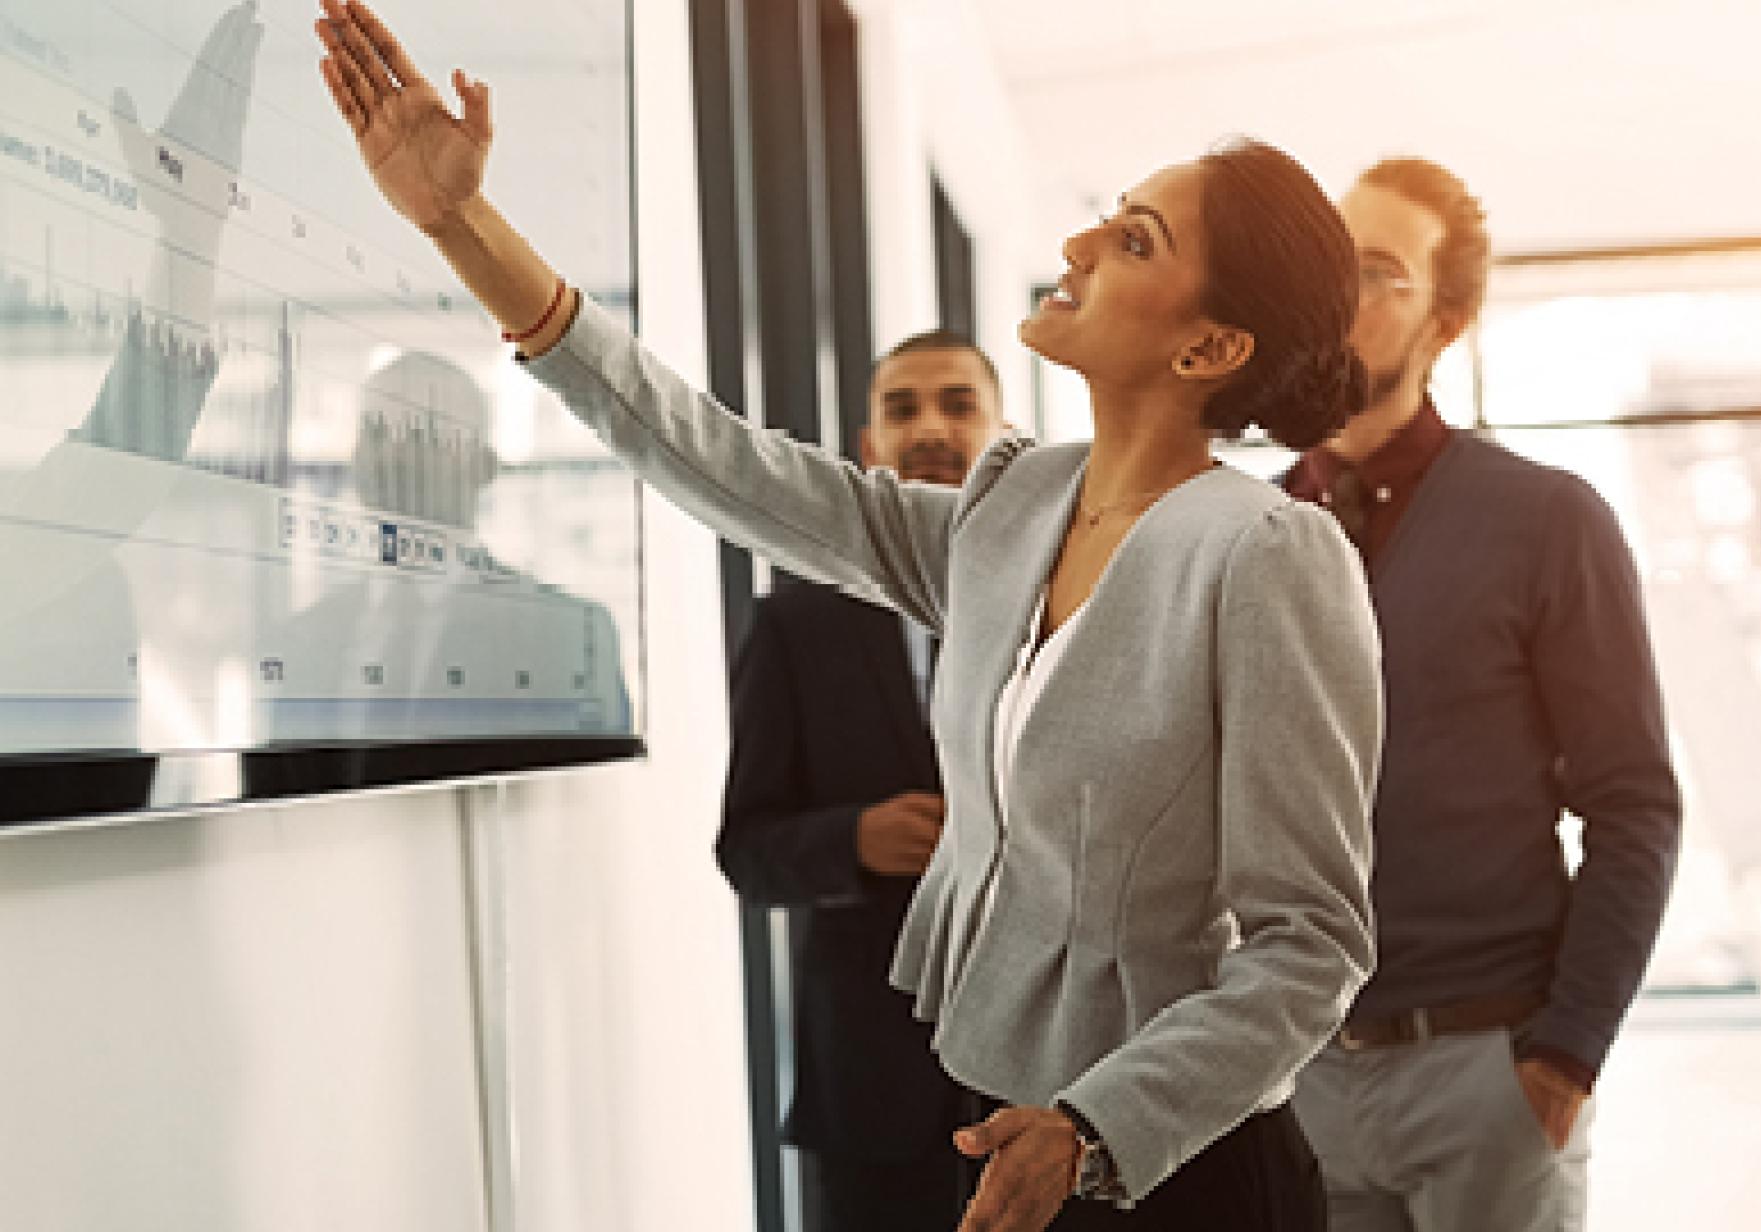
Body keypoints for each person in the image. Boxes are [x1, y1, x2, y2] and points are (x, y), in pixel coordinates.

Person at [313, 4, 1383, 1229]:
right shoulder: (1012, 507)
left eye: (1135, 239)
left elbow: (1313, 944)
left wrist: (1096, 1127)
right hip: (1003, 1125)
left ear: (1210, 345)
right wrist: (460, 224)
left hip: (1175, 1167)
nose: (1081, 239)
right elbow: (719, 460)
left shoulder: (1268, 554)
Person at [1282, 158, 1679, 1232]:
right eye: (1324, 264)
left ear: (1446, 322)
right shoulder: (1246, 528)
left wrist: (1567, 1054)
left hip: (1488, 1068)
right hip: (1294, 1076)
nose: (1337, 295)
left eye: (1376, 272)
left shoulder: (1548, 520)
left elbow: (1634, 803)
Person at [715, 330, 1007, 1232]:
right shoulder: (795, 623)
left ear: (1005, 437)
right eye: (902, 409)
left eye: (958, 404)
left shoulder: (1072, 603)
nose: (931, 428)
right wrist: (851, 841)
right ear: (870, 445)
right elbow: (747, 850)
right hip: (871, 1094)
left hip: (1050, 1083)